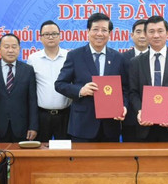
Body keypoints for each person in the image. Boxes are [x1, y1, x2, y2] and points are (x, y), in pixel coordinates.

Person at [55, 13, 128, 142]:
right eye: (95, 29)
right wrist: (80, 90)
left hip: (110, 126)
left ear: (110, 33)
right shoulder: (75, 56)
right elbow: (60, 84)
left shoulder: (118, 58)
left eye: (104, 30)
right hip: (82, 126)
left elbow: (125, 89)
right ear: (88, 31)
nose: (99, 34)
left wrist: (124, 106)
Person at [128, 15, 168, 142]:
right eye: (151, 31)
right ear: (146, 34)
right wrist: (140, 111)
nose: (156, 35)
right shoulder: (136, 62)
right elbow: (133, 93)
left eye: (160, 31)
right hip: (145, 129)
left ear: (167, 33)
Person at [27, 20, 71, 141]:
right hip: (42, 116)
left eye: (54, 34)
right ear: (40, 37)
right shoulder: (33, 59)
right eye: (46, 34)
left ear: (60, 36)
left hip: (65, 115)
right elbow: (30, 90)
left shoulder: (69, 56)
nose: (51, 37)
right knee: (41, 150)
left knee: (65, 150)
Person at [0, 33, 38, 142]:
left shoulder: (28, 70)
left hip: (22, 127)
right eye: (6, 47)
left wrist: (33, 126)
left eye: (14, 47)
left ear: (19, 49)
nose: (10, 50)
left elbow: (32, 100)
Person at [121, 19, 149, 142]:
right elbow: (121, 87)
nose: (142, 36)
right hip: (130, 118)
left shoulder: (158, 58)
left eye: (145, 32)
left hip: (155, 117)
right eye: (138, 32)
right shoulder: (122, 58)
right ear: (132, 35)